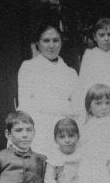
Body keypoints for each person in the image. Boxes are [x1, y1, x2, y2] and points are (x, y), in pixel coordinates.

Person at [17, 22, 80, 156]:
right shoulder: (28, 67)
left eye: (56, 40)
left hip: (65, 132)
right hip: (39, 128)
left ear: (61, 42)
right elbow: (26, 105)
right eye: (46, 41)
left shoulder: (70, 73)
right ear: (38, 44)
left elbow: (78, 107)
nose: (51, 45)